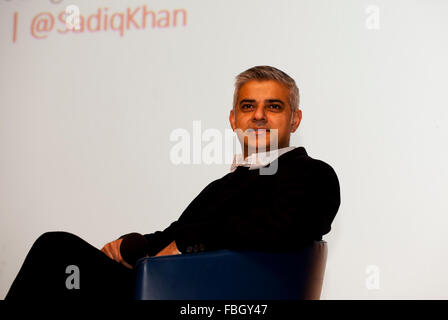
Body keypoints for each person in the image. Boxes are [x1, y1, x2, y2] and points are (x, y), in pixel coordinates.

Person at [4, 65, 340, 300]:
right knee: (65, 262)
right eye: (248, 106)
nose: (259, 115)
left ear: (294, 119)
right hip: (173, 285)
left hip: (206, 296)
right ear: (233, 119)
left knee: (57, 250)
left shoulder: (312, 173)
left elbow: (282, 227)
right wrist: (131, 246)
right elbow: (174, 236)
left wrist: (190, 241)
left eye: (274, 106)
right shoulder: (224, 185)